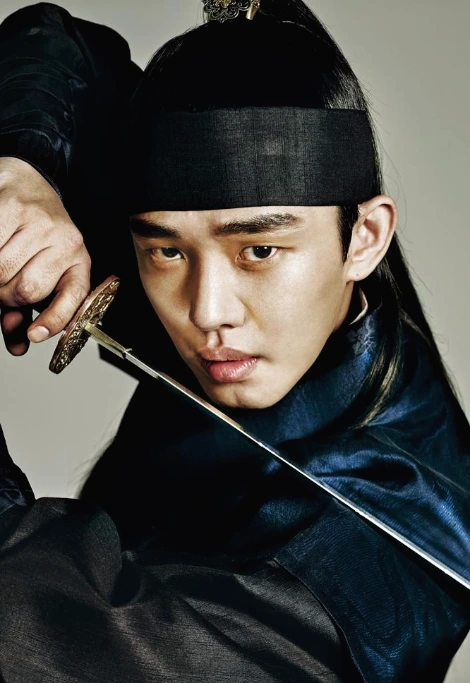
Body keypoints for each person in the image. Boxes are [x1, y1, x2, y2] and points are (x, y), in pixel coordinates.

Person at [0, 1, 469, 682]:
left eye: (261, 251)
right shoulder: (233, 286)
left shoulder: (379, 553)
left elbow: (39, 632)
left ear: (363, 239)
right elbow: (55, 46)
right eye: (165, 251)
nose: (207, 313)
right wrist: (21, 171)